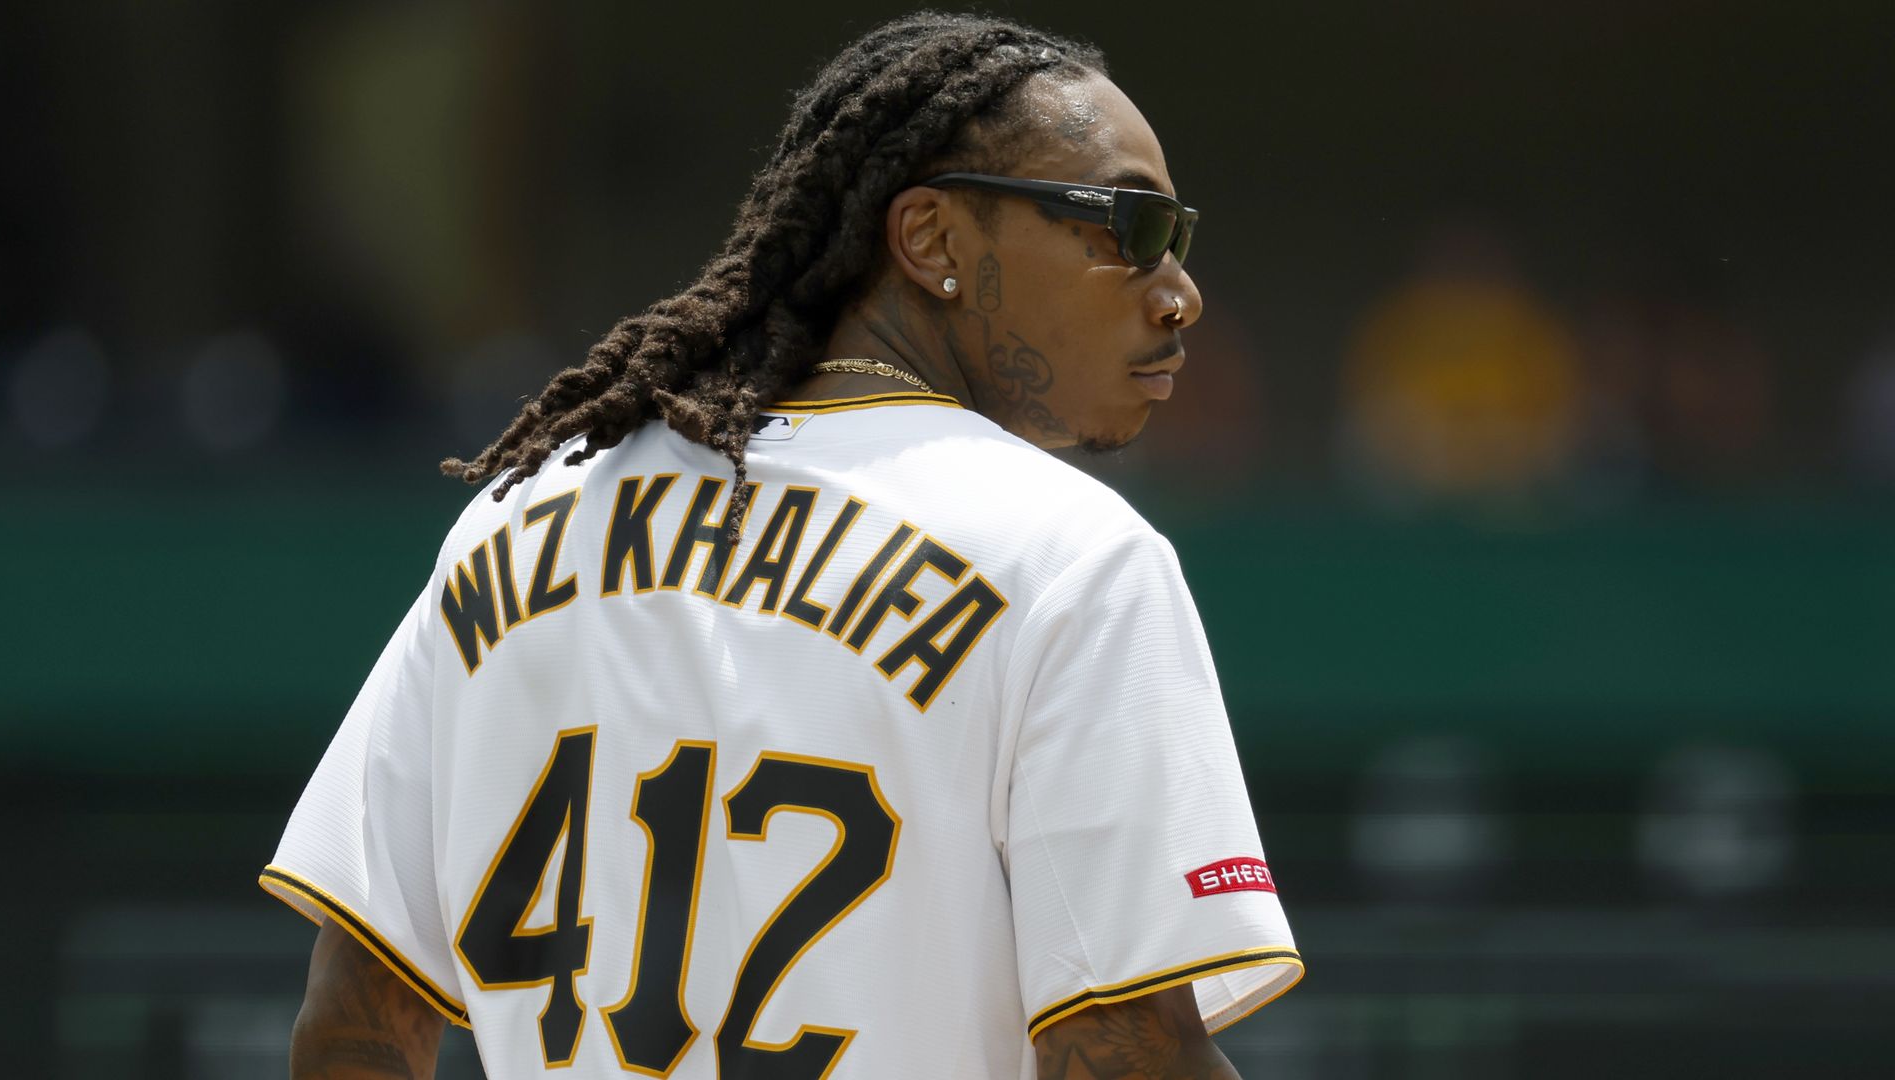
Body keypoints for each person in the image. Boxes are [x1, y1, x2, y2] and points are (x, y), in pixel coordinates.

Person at [263, 12, 1301, 1078]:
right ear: (934, 241)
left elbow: (351, 1028)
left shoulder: (515, 521)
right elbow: (1128, 1057)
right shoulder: (1072, 555)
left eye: (1176, 240)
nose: (1179, 293)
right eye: (1128, 226)